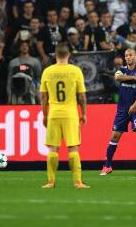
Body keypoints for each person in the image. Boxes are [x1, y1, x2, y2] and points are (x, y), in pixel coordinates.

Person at [40, 43, 89, 189]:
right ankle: (77, 182)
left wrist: (44, 115)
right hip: (70, 114)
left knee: (53, 149)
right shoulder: (75, 71)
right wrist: (84, 113)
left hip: (54, 114)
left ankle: (50, 182)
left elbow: (43, 97)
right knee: (73, 148)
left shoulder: (47, 72)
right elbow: (81, 96)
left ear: (55, 55)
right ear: (68, 55)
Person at [100, 48, 136, 176]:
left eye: (130, 55)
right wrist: (134, 78)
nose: (128, 57)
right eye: (126, 55)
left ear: (135, 56)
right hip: (122, 110)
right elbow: (117, 77)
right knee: (114, 136)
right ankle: (107, 165)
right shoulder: (122, 70)